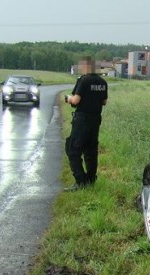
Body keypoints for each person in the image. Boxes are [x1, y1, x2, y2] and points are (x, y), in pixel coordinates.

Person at [64, 57, 108, 191]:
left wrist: (68, 99)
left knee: (73, 149)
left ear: (86, 67)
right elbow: (104, 102)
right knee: (91, 151)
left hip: (82, 119)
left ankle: (80, 181)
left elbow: (76, 100)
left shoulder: (83, 80)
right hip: (95, 120)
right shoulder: (102, 82)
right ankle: (90, 179)